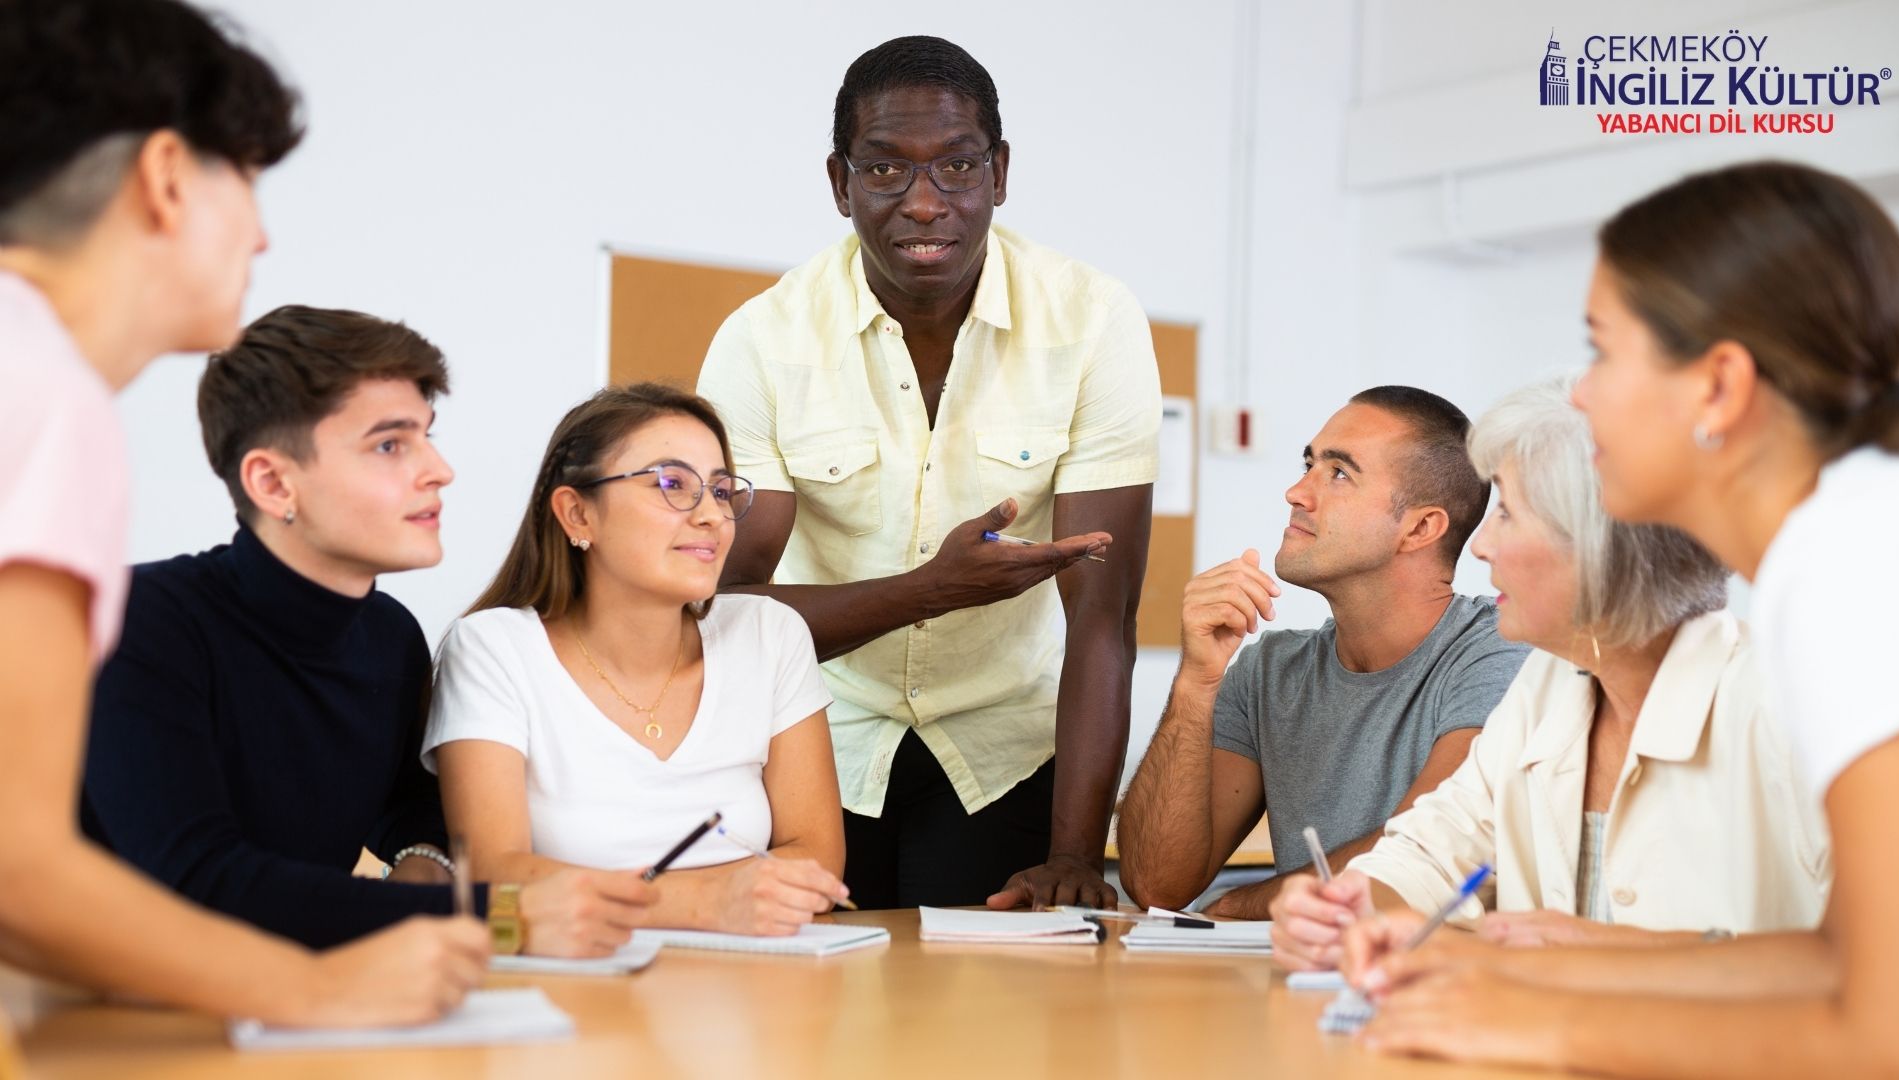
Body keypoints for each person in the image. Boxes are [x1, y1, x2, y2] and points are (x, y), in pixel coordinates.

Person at [1343, 161, 1899, 1077]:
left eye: (1603, 351)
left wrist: (1544, 1027)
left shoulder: (1859, 567)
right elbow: (1836, 960)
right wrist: (1497, 968)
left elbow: (1893, 1034)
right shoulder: (1847, 541)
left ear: (1719, 388)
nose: (1580, 394)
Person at [0, 0, 483, 1026]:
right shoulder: (43, 393)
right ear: (168, 177)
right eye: (249, 182)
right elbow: (21, 869)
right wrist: (315, 986)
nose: (262, 232)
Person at [697, 36, 1162, 910]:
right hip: (816, 741)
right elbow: (720, 606)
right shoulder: (761, 340)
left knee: (980, 1028)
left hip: (1007, 751)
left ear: (1000, 172)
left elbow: (1105, 612)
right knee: (814, 1016)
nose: (923, 203)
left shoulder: (1093, 321)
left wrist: (1076, 853)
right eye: (883, 170)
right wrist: (929, 589)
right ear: (839, 182)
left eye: (957, 166)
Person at [82, 306, 660, 956]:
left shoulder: (389, 636)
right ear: (272, 483)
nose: (439, 469)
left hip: (295, 1002)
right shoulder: (141, 620)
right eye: (390, 445)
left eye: (427, 435)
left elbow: (415, 813)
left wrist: (424, 867)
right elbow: (198, 883)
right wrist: (499, 915)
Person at [1269, 376, 1829, 971]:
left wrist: (1608, 951)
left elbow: (1884, 967)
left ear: (1599, 540)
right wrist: (1346, 908)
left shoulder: (1789, 705)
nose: (1480, 547)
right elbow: (1429, 854)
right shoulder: (1544, 691)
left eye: (1507, 511)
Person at [428, 384, 851, 936]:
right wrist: (704, 901)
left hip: (753, 993)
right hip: (571, 990)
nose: (712, 517)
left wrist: (592, 890)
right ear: (577, 514)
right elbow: (493, 879)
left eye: (721, 492)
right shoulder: (492, 648)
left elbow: (816, 864)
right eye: (672, 484)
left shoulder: (770, 634)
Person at [1118, 387, 1530, 917]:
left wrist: (1241, 904)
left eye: (1338, 474)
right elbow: (1155, 885)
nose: (1296, 492)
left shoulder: (1501, 654)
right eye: (1308, 465)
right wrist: (1195, 683)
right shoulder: (1268, 672)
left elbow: (1424, 853)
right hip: (1307, 987)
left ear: (1421, 528)